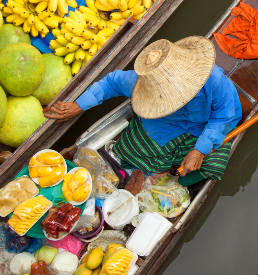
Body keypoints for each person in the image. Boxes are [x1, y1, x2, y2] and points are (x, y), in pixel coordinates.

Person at [44, 37, 242, 183]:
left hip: (206, 125)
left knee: (212, 163)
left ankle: (170, 171)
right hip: (165, 122)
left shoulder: (214, 81)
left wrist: (199, 150)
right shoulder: (143, 83)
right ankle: (157, 169)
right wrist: (78, 106)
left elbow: (223, 116)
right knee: (130, 150)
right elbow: (110, 83)